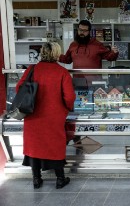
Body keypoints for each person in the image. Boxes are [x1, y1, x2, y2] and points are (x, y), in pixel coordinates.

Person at [17, 42, 76, 189]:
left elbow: (19, 88)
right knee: (54, 147)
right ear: (57, 54)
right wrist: (65, 109)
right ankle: (60, 179)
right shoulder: (61, 72)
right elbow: (69, 97)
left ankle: (36, 179)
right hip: (54, 116)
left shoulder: (32, 69)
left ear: (42, 52)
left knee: (34, 146)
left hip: (32, 115)